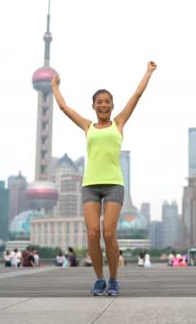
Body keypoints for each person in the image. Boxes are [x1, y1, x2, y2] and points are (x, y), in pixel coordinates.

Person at [52, 61, 157, 296]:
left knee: (109, 233)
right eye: (99, 102)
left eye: (107, 102)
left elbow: (137, 95)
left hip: (113, 185)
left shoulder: (118, 123)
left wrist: (148, 72)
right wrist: (55, 86)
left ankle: (114, 279)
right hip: (90, 185)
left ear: (112, 105)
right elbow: (63, 107)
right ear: (93, 106)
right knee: (92, 233)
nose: (103, 105)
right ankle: (99, 279)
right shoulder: (87, 126)